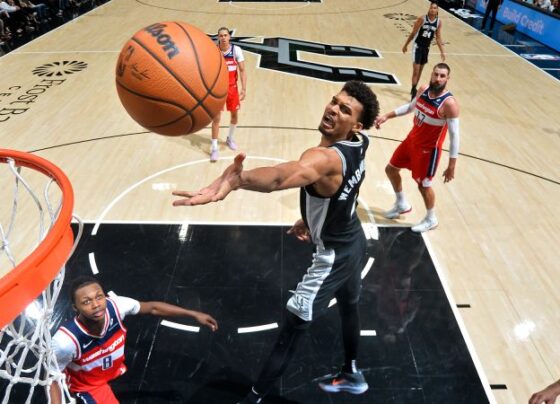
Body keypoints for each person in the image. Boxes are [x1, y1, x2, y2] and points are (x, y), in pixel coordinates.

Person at [172, 80, 379, 403]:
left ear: (357, 124)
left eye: (344, 110)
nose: (332, 109)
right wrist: (310, 219)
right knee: (350, 308)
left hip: (334, 256)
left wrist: (238, 180)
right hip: (354, 239)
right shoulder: (360, 144)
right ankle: (352, 372)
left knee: (292, 329)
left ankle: (253, 399)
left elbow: (282, 177)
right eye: (334, 102)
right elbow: (345, 191)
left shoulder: (323, 158)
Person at [49, 276, 218, 404]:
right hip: (89, 385)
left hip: (112, 369)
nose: (96, 305)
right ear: (75, 307)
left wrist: (194, 314)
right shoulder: (65, 342)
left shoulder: (116, 305)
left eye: (99, 297)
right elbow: (52, 377)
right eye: (86, 302)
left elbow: (152, 308)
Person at [375, 63, 460, 233]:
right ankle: (401, 204)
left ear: (447, 79)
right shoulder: (423, 89)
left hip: (428, 151)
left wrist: (451, 166)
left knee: (424, 185)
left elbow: (454, 136)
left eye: (442, 76)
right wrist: (387, 116)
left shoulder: (449, 104)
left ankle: (431, 219)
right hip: (411, 141)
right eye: (436, 74)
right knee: (391, 170)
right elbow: (409, 107)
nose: (438, 78)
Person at [210, 26, 247, 162]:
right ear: (218, 37)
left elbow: (242, 70)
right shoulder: (213, 51)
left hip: (232, 88)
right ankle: (214, 148)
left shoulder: (236, 50)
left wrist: (243, 89)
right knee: (216, 119)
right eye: (221, 36)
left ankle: (230, 138)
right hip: (218, 89)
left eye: (225, 35)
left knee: (234, 116)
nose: (223, 38)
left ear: (229, 37)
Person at [402, 1, 445, 101]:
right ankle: (413, 91)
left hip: (426, 48)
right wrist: (406, 45)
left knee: (420, 70)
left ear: (437, 10)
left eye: (435, 8)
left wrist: (442, 51)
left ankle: (415, 86)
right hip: (417, 46)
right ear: (429, 8)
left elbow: (438, 38)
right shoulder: (422, 19)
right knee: (416, 70)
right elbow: (413, 33)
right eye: (431, 7)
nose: (432, 9)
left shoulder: (438, 22)